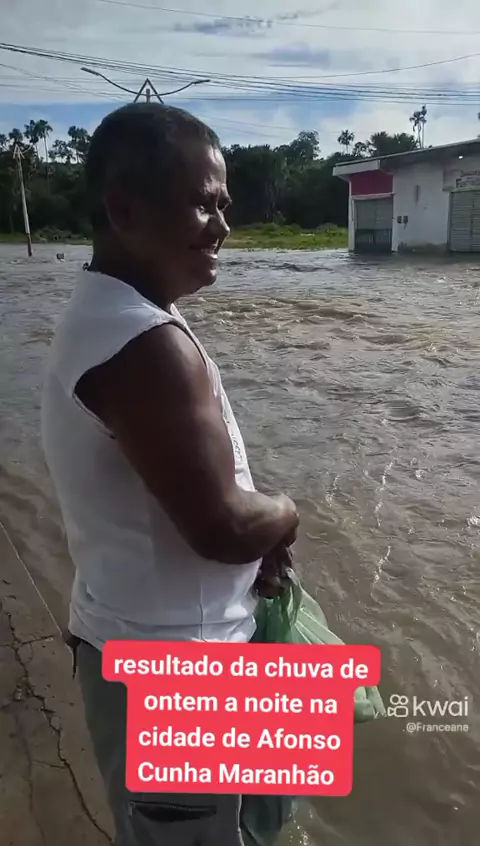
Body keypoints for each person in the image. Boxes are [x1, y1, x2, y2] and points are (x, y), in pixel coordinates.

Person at [41, 102, 299, 846]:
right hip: (182, 675)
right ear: (124, 210)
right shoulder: (145, 345)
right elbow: (223, 527)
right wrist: (286, 512)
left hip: (149, 647)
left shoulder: (109, 315)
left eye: (225, 205)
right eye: (203, 204)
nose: (223, 226)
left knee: (247, 823)